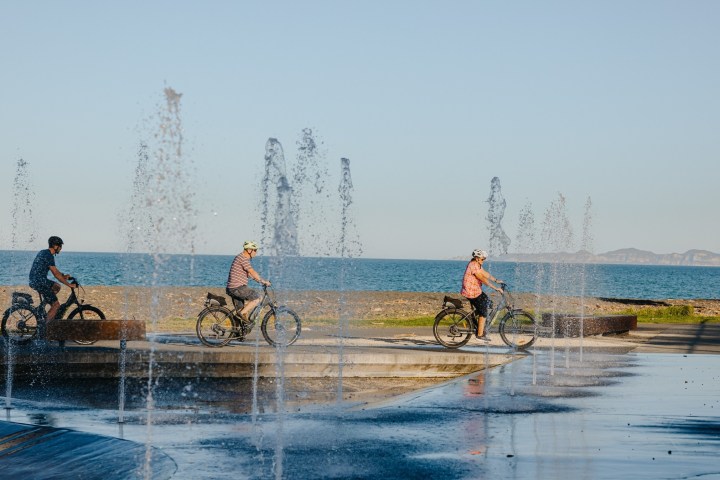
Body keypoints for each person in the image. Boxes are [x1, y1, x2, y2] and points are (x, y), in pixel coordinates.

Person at [28, 236, 76, 321]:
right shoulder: (49, 256)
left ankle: (42, 307)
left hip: (35, 280)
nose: (61, 248)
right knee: (56, 305)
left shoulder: (44, 252)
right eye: (60, 246)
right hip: (40, 281)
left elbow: (55, 270)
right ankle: (45, 328)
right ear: (55, 246)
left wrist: (63, 276)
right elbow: (55, 274)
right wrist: (69, 284)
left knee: (57, 286)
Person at [461, 249, 503, 340]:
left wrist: (496, 280)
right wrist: (495, 288)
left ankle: (477, 321)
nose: (483, 260)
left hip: (476, 290)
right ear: (476, 258)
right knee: (483, 311)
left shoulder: (477, 265)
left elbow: (485, 274)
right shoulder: (473, 265)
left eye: (484, 259)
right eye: (482, 259)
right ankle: (479, 335)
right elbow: (482, 279)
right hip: (471, 292)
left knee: (489, 303)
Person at [226, 241, 271, 321]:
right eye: (255, 250)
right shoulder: (243, 258)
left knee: (242, 312)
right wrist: (263, 281)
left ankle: (238, 330)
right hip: (237, 288)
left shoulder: (240, 257)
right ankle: (240, 314)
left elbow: (249, 274)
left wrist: (259, 281)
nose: (256, 252)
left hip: (232, 288)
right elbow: (252, 271)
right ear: (249, 250)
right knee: (257, 298)